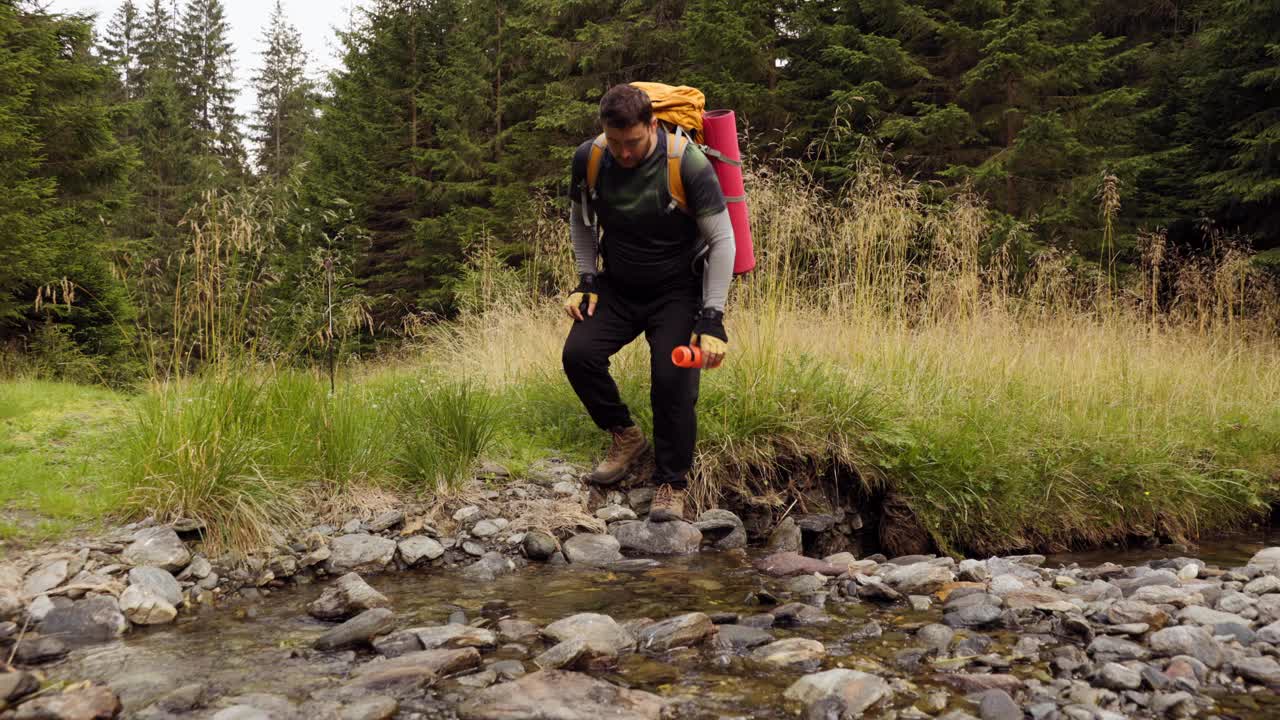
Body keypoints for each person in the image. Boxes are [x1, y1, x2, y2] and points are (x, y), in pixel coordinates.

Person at [562, 83, 736, 522]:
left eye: (633, 142)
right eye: (615, 141)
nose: (623, 152)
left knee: (671, 379)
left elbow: (723, 240)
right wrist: (587, 280)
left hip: (678, 290)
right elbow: (581, 223)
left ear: (652, 126)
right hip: (618, 285)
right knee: (579, 355)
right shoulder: (591, 158)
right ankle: (625, 435)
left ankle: (672, 483)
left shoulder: (686, 162)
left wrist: (711, 317)